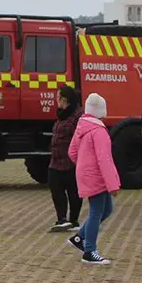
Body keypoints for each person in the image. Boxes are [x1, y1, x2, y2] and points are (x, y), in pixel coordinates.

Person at [66, 92, 118, 265]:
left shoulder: (82, 126)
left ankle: (80, 238)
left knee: (106, 209)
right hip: (96, 177)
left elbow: (72, 152)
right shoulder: (99, 131)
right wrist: (113, 185)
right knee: (97, 212)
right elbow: (105, 160)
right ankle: (89, 251)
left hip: (86, 174)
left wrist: (82, 165)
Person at [47, 86, 83, 232]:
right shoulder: (61, 115)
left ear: (65, 99)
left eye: (58, 98)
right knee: (56, 189)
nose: (56, 101)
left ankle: (74, 221)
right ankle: (61, 218)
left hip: (71, 162)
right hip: (56, 160)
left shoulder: (78, 116)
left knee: (73, 192)